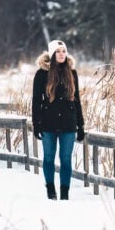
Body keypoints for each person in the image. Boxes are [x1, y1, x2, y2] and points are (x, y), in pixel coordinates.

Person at [31, 39, 85, 200]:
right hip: (48, 123)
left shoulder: (72, 72)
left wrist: (80, 125)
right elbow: (36, 100)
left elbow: (77, 101)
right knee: (48, 157)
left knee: (66, 159)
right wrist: (36, 123)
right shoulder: (42, 74)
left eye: (64, 51)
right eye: (58, 51)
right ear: (52, 54)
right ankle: (50, 189)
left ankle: (64, 192)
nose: (61, 54)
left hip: (68, 123)